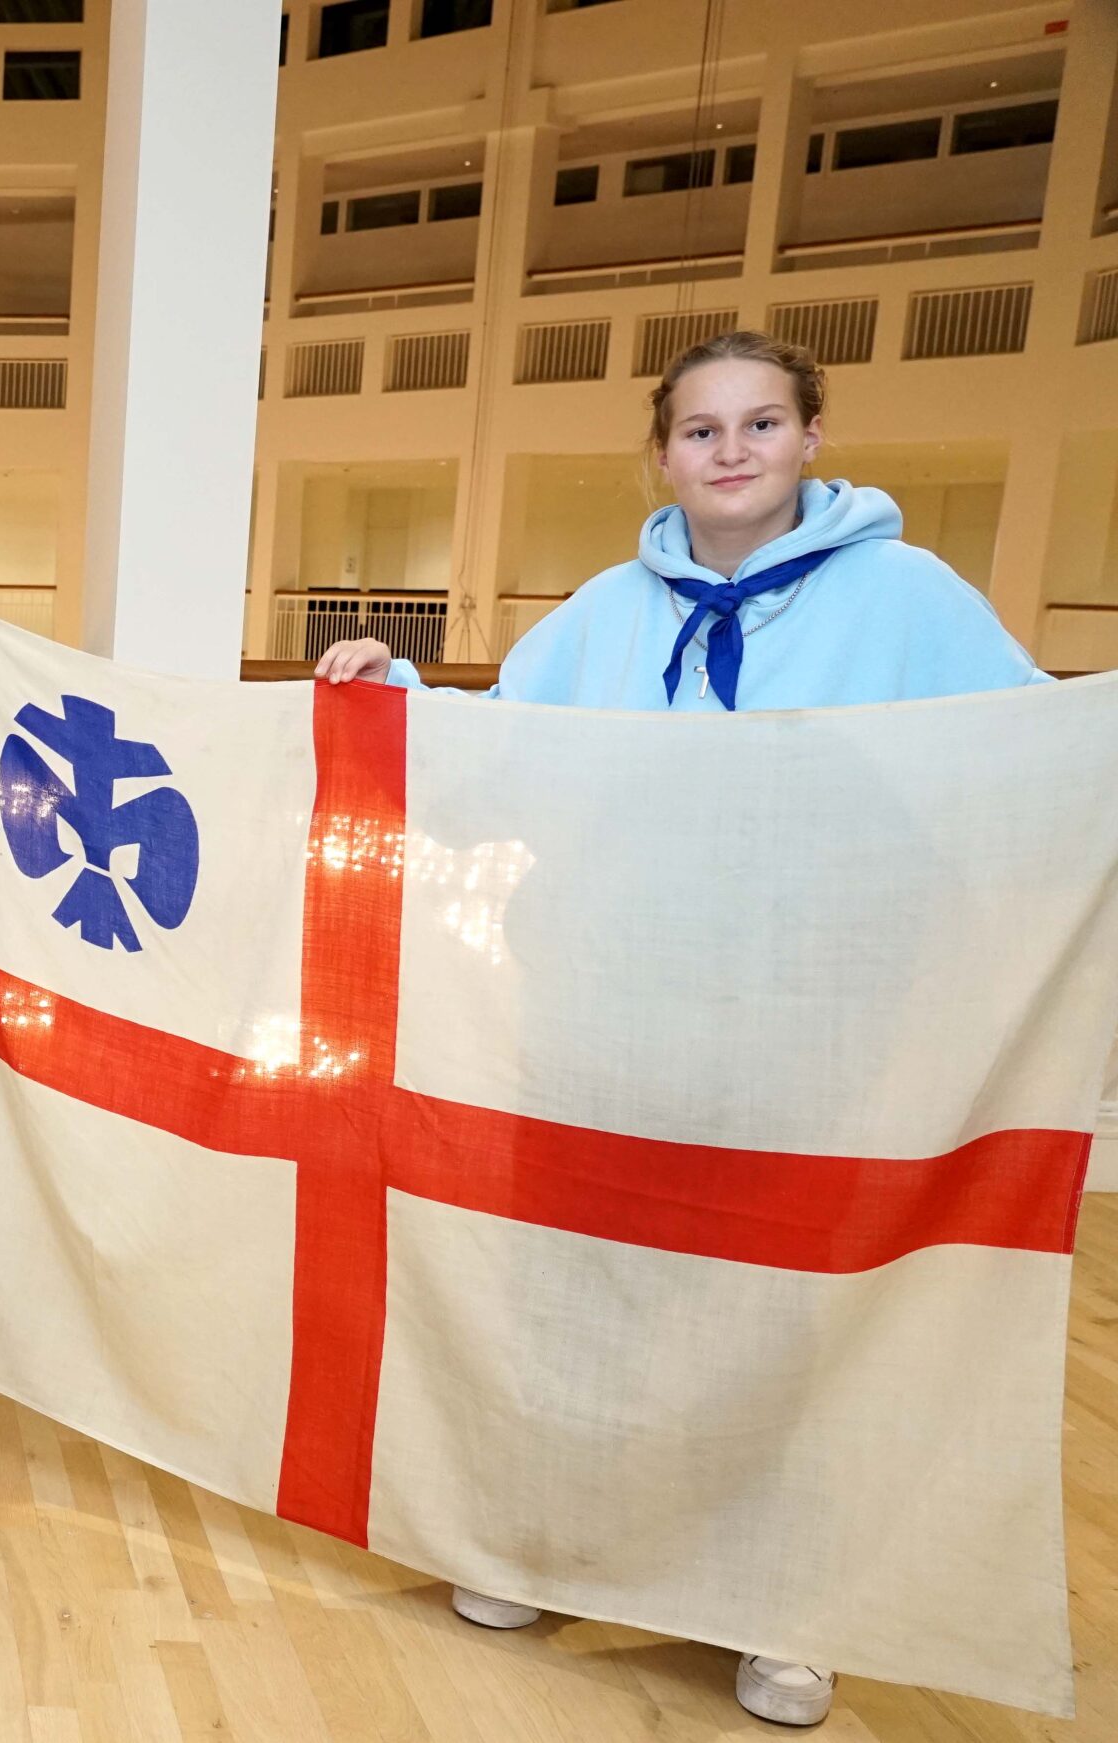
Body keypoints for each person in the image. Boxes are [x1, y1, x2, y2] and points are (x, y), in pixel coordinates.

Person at [316, 328, 1052, 1728]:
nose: (732, 452)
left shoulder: (908, 597)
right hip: (606, 1010)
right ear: (661, 452)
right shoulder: (605, 609)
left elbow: (1020, 752)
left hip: (801, 1023)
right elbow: (506, 750)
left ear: (812, 437)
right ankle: (543, 1539)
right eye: (702, 429)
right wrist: (393, 703)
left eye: (761, 424)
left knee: (779, 1305)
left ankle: (779, 1600)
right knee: (585, 1287)